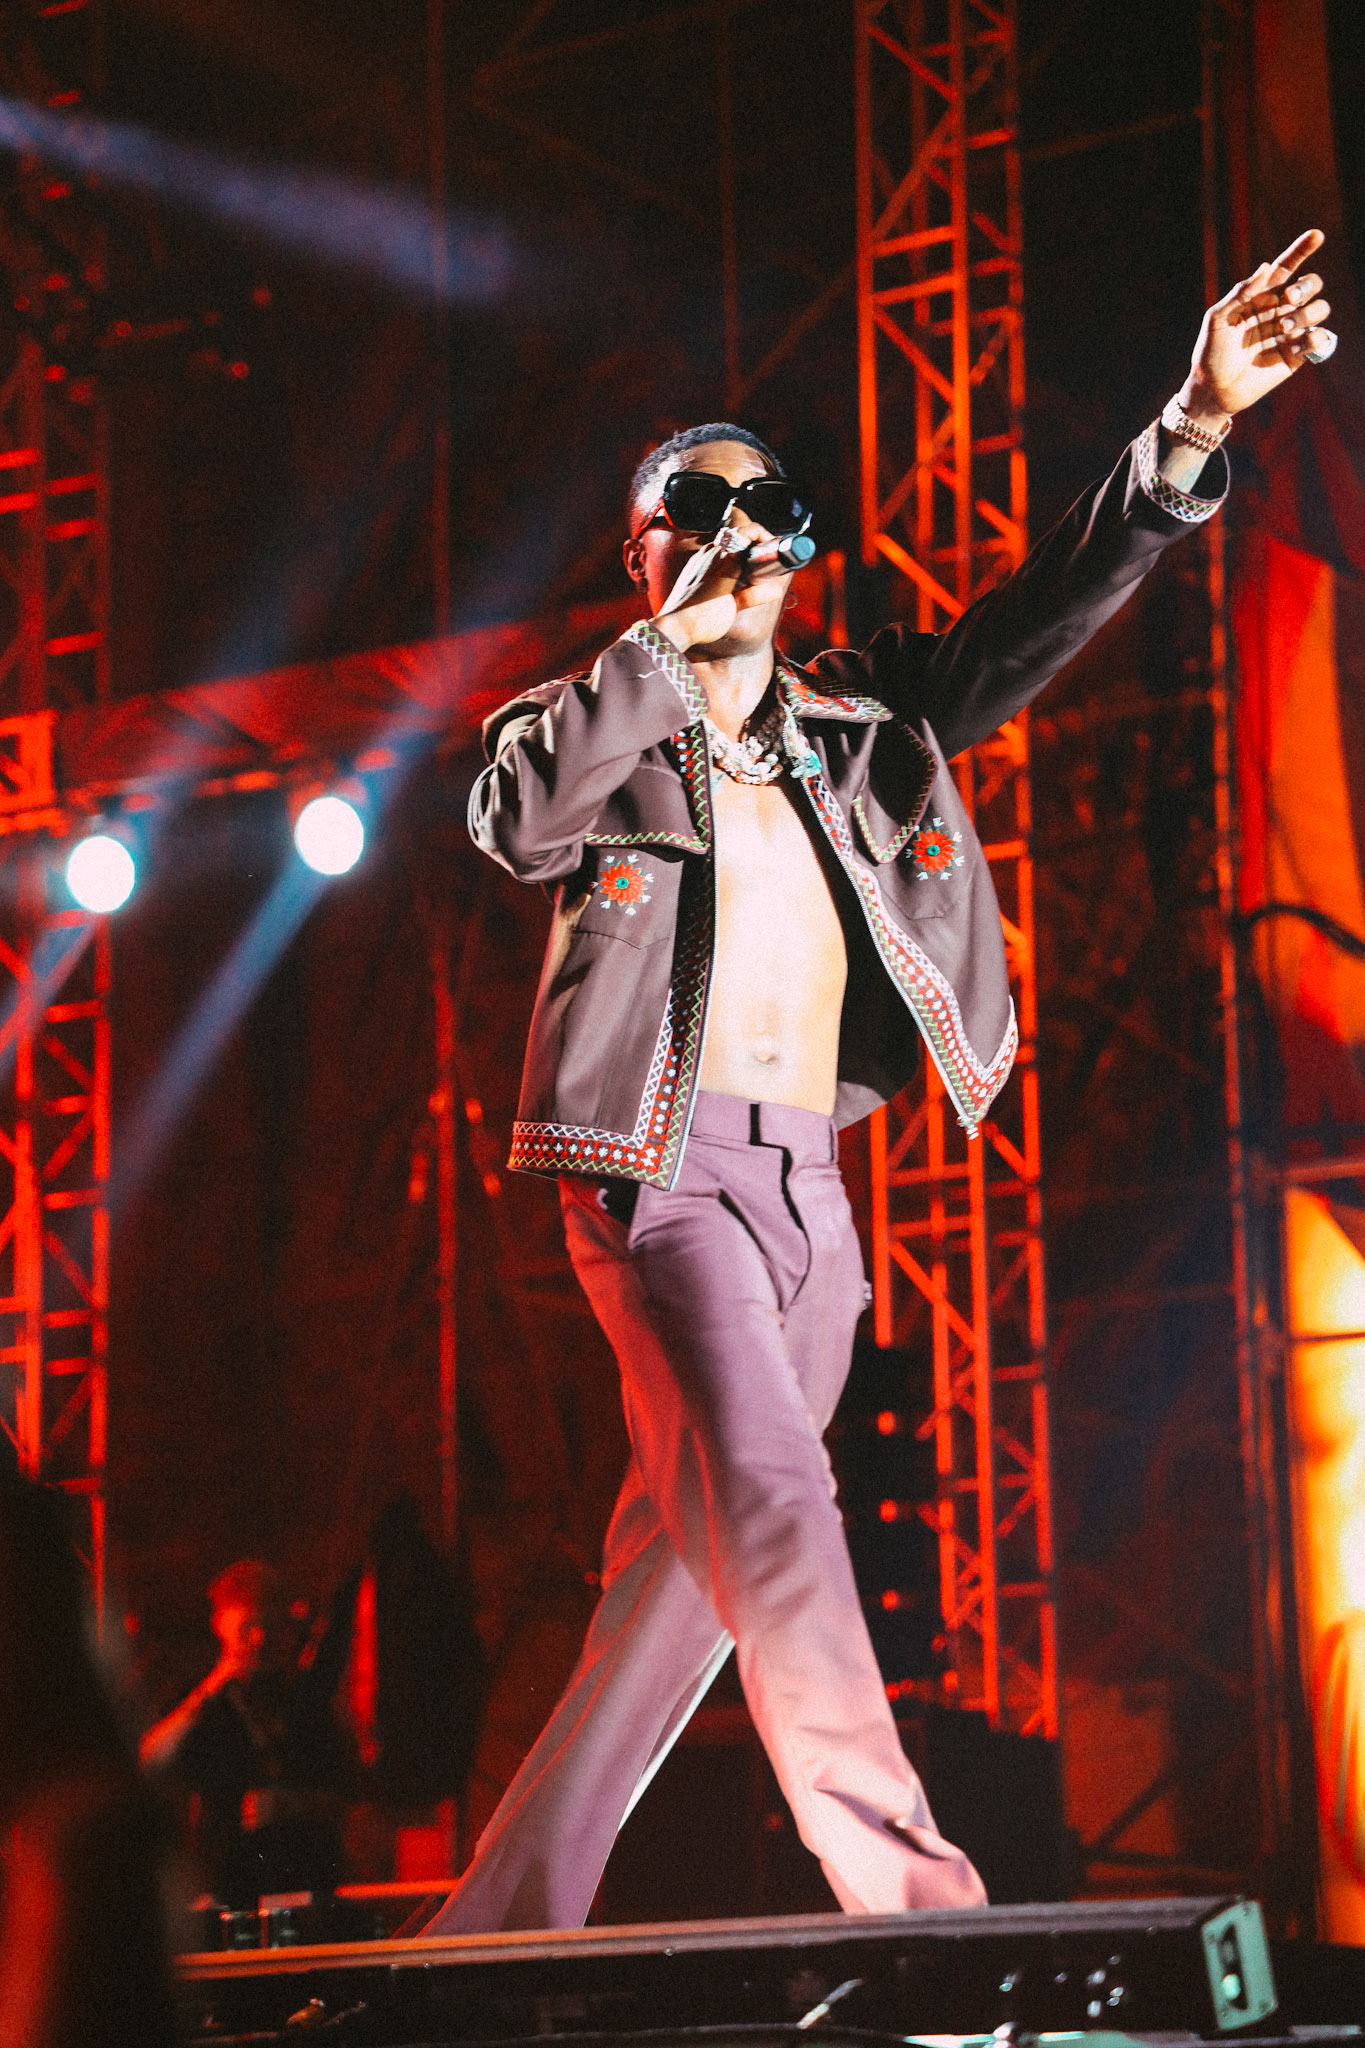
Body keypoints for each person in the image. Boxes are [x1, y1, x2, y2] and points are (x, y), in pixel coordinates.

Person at [423, 234, 1335, 1933]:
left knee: (680, 1589)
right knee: (779, 1509)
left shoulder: (867, 720)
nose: (733, 535)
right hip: (659, 1176)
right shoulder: (595, 725)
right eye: (693, 511)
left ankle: (490, 1925)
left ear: (801, 543)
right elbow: (512, 822)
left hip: (811, 1201)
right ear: (642, 552)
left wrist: (1194, 423)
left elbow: (1041, 610)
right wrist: (663, 652)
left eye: (760, 508)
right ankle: (918, 1904)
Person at [140, 1558, 344, 1906]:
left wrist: (287, 1805)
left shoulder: (306, 1699)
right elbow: (151, 1761)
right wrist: (213, 1686)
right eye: (249, 1626)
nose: (260, 1639)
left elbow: (344, 1799)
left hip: (303, 1884)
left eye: (271, 1626)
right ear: (221, 1625)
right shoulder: (201, 1702)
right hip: (227, 1886)